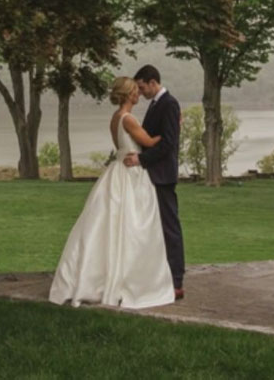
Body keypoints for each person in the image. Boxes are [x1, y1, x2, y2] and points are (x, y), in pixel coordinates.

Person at [48, 76, 175, 309]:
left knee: (106, 224)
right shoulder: (129, 119)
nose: (138, 94)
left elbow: (122, 147)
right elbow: (149, 142)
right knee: (132, 226)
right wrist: (174, 129)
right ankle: (129, 280)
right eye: (135, 91)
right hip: (130, 175)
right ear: (128, 95)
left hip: (116, 171)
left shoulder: (115, 118)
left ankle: (99, 275)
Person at [123, 64, 185, 300]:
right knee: (154, 229)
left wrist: (141, 158)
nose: (140, 92)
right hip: (152, 175)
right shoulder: (156, 104)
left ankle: (177, 281)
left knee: (170, 228)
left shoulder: (169, 104)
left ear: (152, 82)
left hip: (163, 175)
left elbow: (168, 143)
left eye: (141, 87)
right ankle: (158, 276)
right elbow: (149, 136)